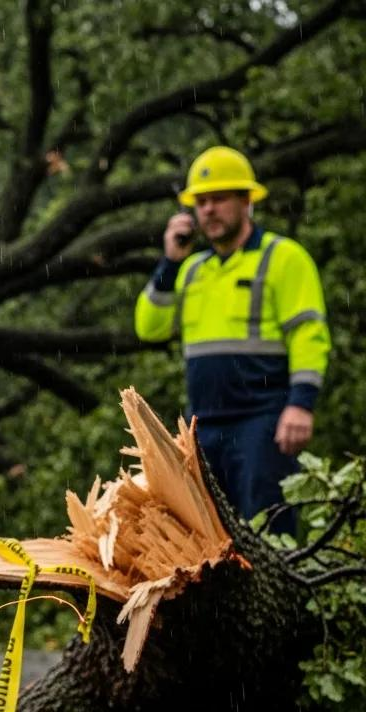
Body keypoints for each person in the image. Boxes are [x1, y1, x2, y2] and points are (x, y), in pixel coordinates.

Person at [134, 146, 330, 534]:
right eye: (201, 202)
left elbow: (309, 333)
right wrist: (169, 262)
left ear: (246, 201)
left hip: (264, 419)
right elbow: (149, 328)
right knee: (207, 541)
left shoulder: (283, 257)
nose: (208, 210)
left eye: (219, 199)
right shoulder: (191, 270)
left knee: (267, 530)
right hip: (202, 426)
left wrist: (301, 405)